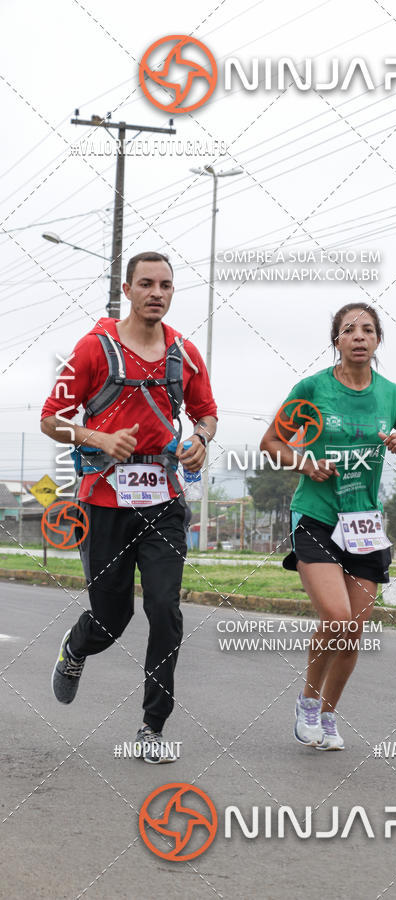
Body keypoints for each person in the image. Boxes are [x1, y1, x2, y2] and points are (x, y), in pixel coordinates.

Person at [41, 251, 217, 763]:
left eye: (165, 284)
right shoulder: (93, 349)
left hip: (164, 501)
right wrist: (98, 434)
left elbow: (206, 413)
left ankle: (152, 727)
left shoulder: (184, 352)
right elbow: (53, 418)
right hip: (104, 503)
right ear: (127, 288)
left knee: (164, 609)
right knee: (111, 618)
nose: (156, 292)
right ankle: (77, 646)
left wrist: (201, 439)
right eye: (146, 283)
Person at [260, 303, 396, 750]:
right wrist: (305, 461)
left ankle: (328, 715)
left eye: (368, 330)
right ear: (336, 340)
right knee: (337, 617)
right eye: (348, 330)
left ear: (378, 340)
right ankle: (307, 701)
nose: (359, 337)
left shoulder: (392, 396)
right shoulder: (313, 388)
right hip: (316, 516)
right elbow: (271, 443)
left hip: (363, 524)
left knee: (354, 629)